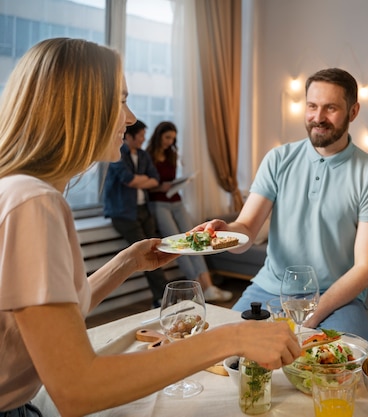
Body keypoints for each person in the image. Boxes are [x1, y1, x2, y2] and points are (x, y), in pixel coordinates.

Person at [0, 37, 299, 417]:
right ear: (80, 105)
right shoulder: (34, 202)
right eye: (120, 99)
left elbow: (58, 316)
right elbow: (78, 388)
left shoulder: (16, 190)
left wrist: (126, 263)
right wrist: (233, 337)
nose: (130, 117)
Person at [194, 68, 368, 342]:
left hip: (337, 298)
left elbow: (365, 268)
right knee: (223, 355)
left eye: (330, 108)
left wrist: (311, 314)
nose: (318, 118)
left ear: (353, 111)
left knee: (341, 370)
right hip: (269, 290)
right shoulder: (278, 159)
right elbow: (247, 231)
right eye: (312, 106)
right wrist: (225, 232)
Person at [146, 121, 232, 302]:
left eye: (173, 139)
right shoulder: (148, 156)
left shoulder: (172, 154)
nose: (170, 142)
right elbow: (149, 186)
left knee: (196, 242)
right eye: (167, 137)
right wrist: (161, 186)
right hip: (159, 204)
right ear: (159, 135)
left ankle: (209, 286)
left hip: (176, 201)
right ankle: (197, 288)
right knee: (178, 247)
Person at [103, 119, 169, 307]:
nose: (143, 139)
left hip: (143, 210)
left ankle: (161, 298)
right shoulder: (116, 154)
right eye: (140, 136)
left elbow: (155, 180)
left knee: (158, 251)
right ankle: (163, 299)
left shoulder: (143, 155)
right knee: (148, 255)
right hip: (124, 213)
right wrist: (142, 180)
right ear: (129, 136)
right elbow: (128, 180)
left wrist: (141, 180)